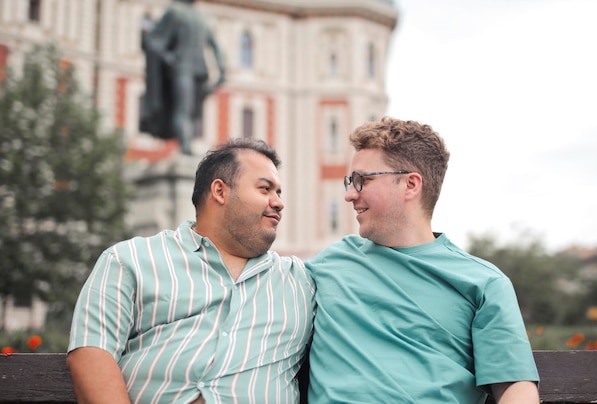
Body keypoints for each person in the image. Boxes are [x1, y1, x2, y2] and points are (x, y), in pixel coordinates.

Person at [306, 117, 540, 403]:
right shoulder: (332, 262)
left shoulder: (484, 283)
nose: (349, 194)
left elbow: (516, 386)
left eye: (361, 181)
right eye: (350, 182)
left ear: (410, 184)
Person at [67, 138, 315, 403]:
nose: (278, 203)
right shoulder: (130, 260)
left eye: (279, 193)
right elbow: (92, 353)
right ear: (220, 191)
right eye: (265, 189)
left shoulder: (300, 281)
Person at [140, 0, 226, 155]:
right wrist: (221, 69)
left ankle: (187, 146)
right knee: (185, 110)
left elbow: (214, 44)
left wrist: (222, 69)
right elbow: (153, 41)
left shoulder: (192, 15)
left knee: (191, 112)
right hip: (188, 69)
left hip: (193, 70)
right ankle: (186, 147)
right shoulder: (183, 14)